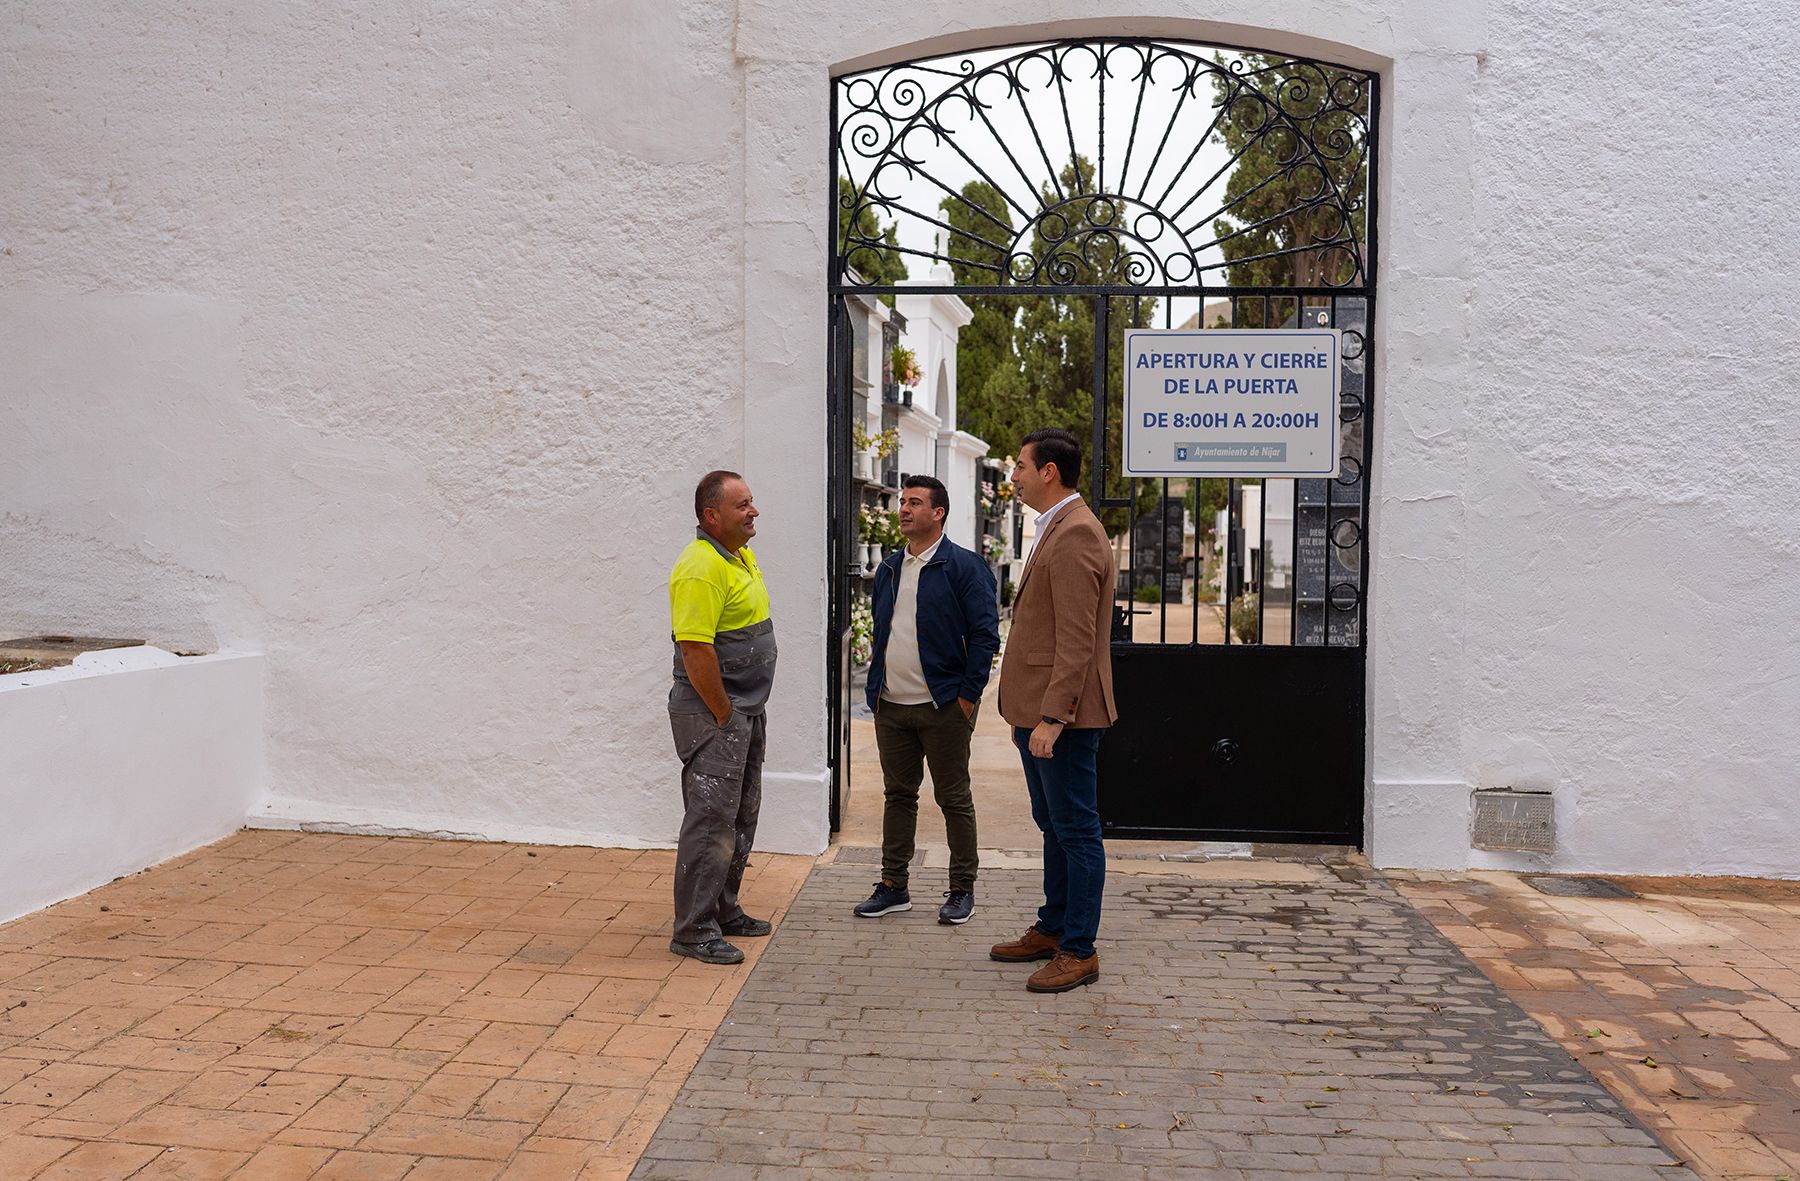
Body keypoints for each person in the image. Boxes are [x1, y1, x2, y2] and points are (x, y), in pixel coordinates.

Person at [988, 428, 1117, 992]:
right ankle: (1054, 926)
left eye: (1019, 465)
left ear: (1048, 472)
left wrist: (1055, 717)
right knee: (1054, 826)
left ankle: (1079, 950)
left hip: (1060, 718)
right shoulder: (1054, 527)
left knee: (1077, 830)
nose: (1012, 475)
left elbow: (1077, 640)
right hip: (1035, 713)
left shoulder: (1076, 534)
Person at [853, 475, 1000, 925]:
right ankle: (894, 885)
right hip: (891, 705)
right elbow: (884, 631)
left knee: (953, 797)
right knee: (898, 795)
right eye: (902, 502)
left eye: (914, 503)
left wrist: (968, 697)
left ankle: (961, 889)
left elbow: (984, 636)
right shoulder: (891, 568)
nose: (903, 509)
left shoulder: (965, 567)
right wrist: (875, 688)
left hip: (943, 707)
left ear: (938, 513)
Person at [666, 470, 778, 965]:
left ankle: (723, 909)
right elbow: (695, 648)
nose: (753, 511)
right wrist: (724, 712)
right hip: (716, 714)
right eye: (742, 505)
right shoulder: (699, 566)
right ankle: (692, 930)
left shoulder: (737, 555)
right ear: (712, 516)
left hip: (744, 711)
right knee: (710, 820)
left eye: (752, 502)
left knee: (739, 815)